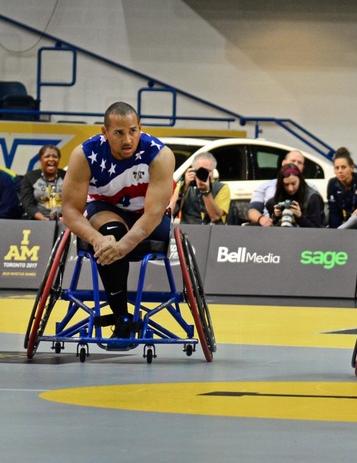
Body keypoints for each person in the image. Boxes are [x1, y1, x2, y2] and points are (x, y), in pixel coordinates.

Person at [60, 102, 176, 339]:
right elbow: (70, 210)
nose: (128, 140)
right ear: (105, 132)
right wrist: (99, 240)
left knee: (119, 239)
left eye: (133, 131)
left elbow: (153, 214)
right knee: (111, 232)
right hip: (106, 208)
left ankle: (121, 312)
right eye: (119, 133)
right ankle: (121, 316)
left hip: (147, 216)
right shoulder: (85, 154)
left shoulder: (160, 155)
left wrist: (121, 247)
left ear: (140, 128)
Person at [247, 149, 305, 226]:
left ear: (303, 167)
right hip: (269, 226)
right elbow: (252, 210)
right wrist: (261, 219)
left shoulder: (309, 189)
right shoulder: (266, 186)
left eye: (299, 162)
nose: (296, 164)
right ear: (283, 163)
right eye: (293, 161)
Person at [169, 151, 230, 225]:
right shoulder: (184, 186)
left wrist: (206, 192)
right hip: (188, 229)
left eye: (208, 171)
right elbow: (171, 212)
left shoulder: (222, 188)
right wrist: (184, 187)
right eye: (200, 171)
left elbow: (215, 217)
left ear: (213, 171)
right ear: (193, 171)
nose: (204, 174)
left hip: (211, 231)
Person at [264, 163, 324, 228]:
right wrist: (276, 216)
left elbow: (316, 229)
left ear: (300, 180)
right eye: (286, 185)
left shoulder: (312, 199)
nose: (290, 189)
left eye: (294, 183)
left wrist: (300, 217)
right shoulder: (278, 198)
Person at [327, 147, 357, 228]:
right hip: (343, 224)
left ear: (352, 168)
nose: (340, 171)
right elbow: (333, 212)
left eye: (343, 167)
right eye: (337, 168)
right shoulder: (332, 184)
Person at [18, 145, 65, 221]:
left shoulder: (67, 176)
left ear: (59, 159)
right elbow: (28, 204)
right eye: (47, 156)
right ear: (40, 159)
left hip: (64, 221)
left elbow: (74, 201)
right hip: (39, 222)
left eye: (55, 157)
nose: (51, 159)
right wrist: (43, 219)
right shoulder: (30, 177)